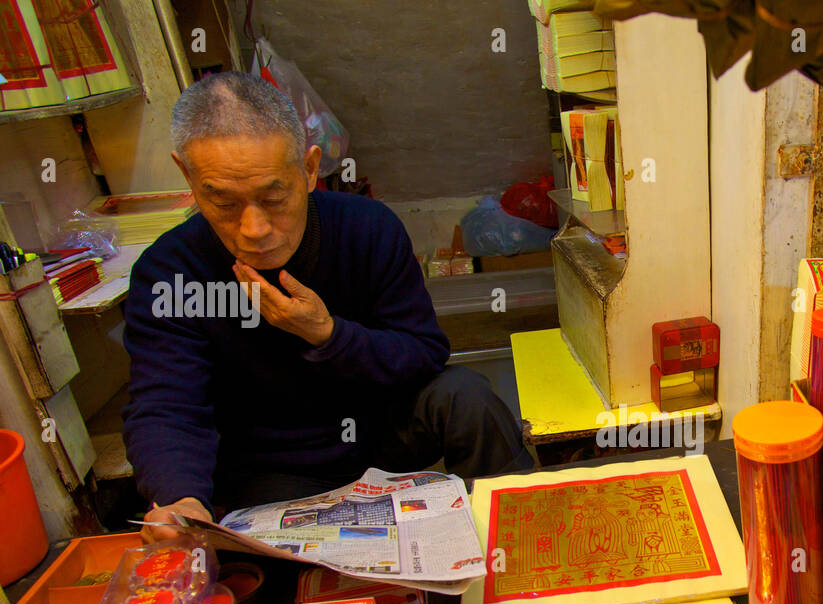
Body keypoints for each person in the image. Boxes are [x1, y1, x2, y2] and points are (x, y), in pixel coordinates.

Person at [122, 73, 532, 542]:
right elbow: (167, 403)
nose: (254, 228)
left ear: (310, 169)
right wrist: (180, 497)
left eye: (274, 198)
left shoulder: (367, 229)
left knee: (466, 395)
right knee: (273, 565)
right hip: (271, 466)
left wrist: (329, 335)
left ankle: (520, 537)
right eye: (223, 203)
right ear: (187, 176)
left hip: (380, 429)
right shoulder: (170, 271)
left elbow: (422, 354)